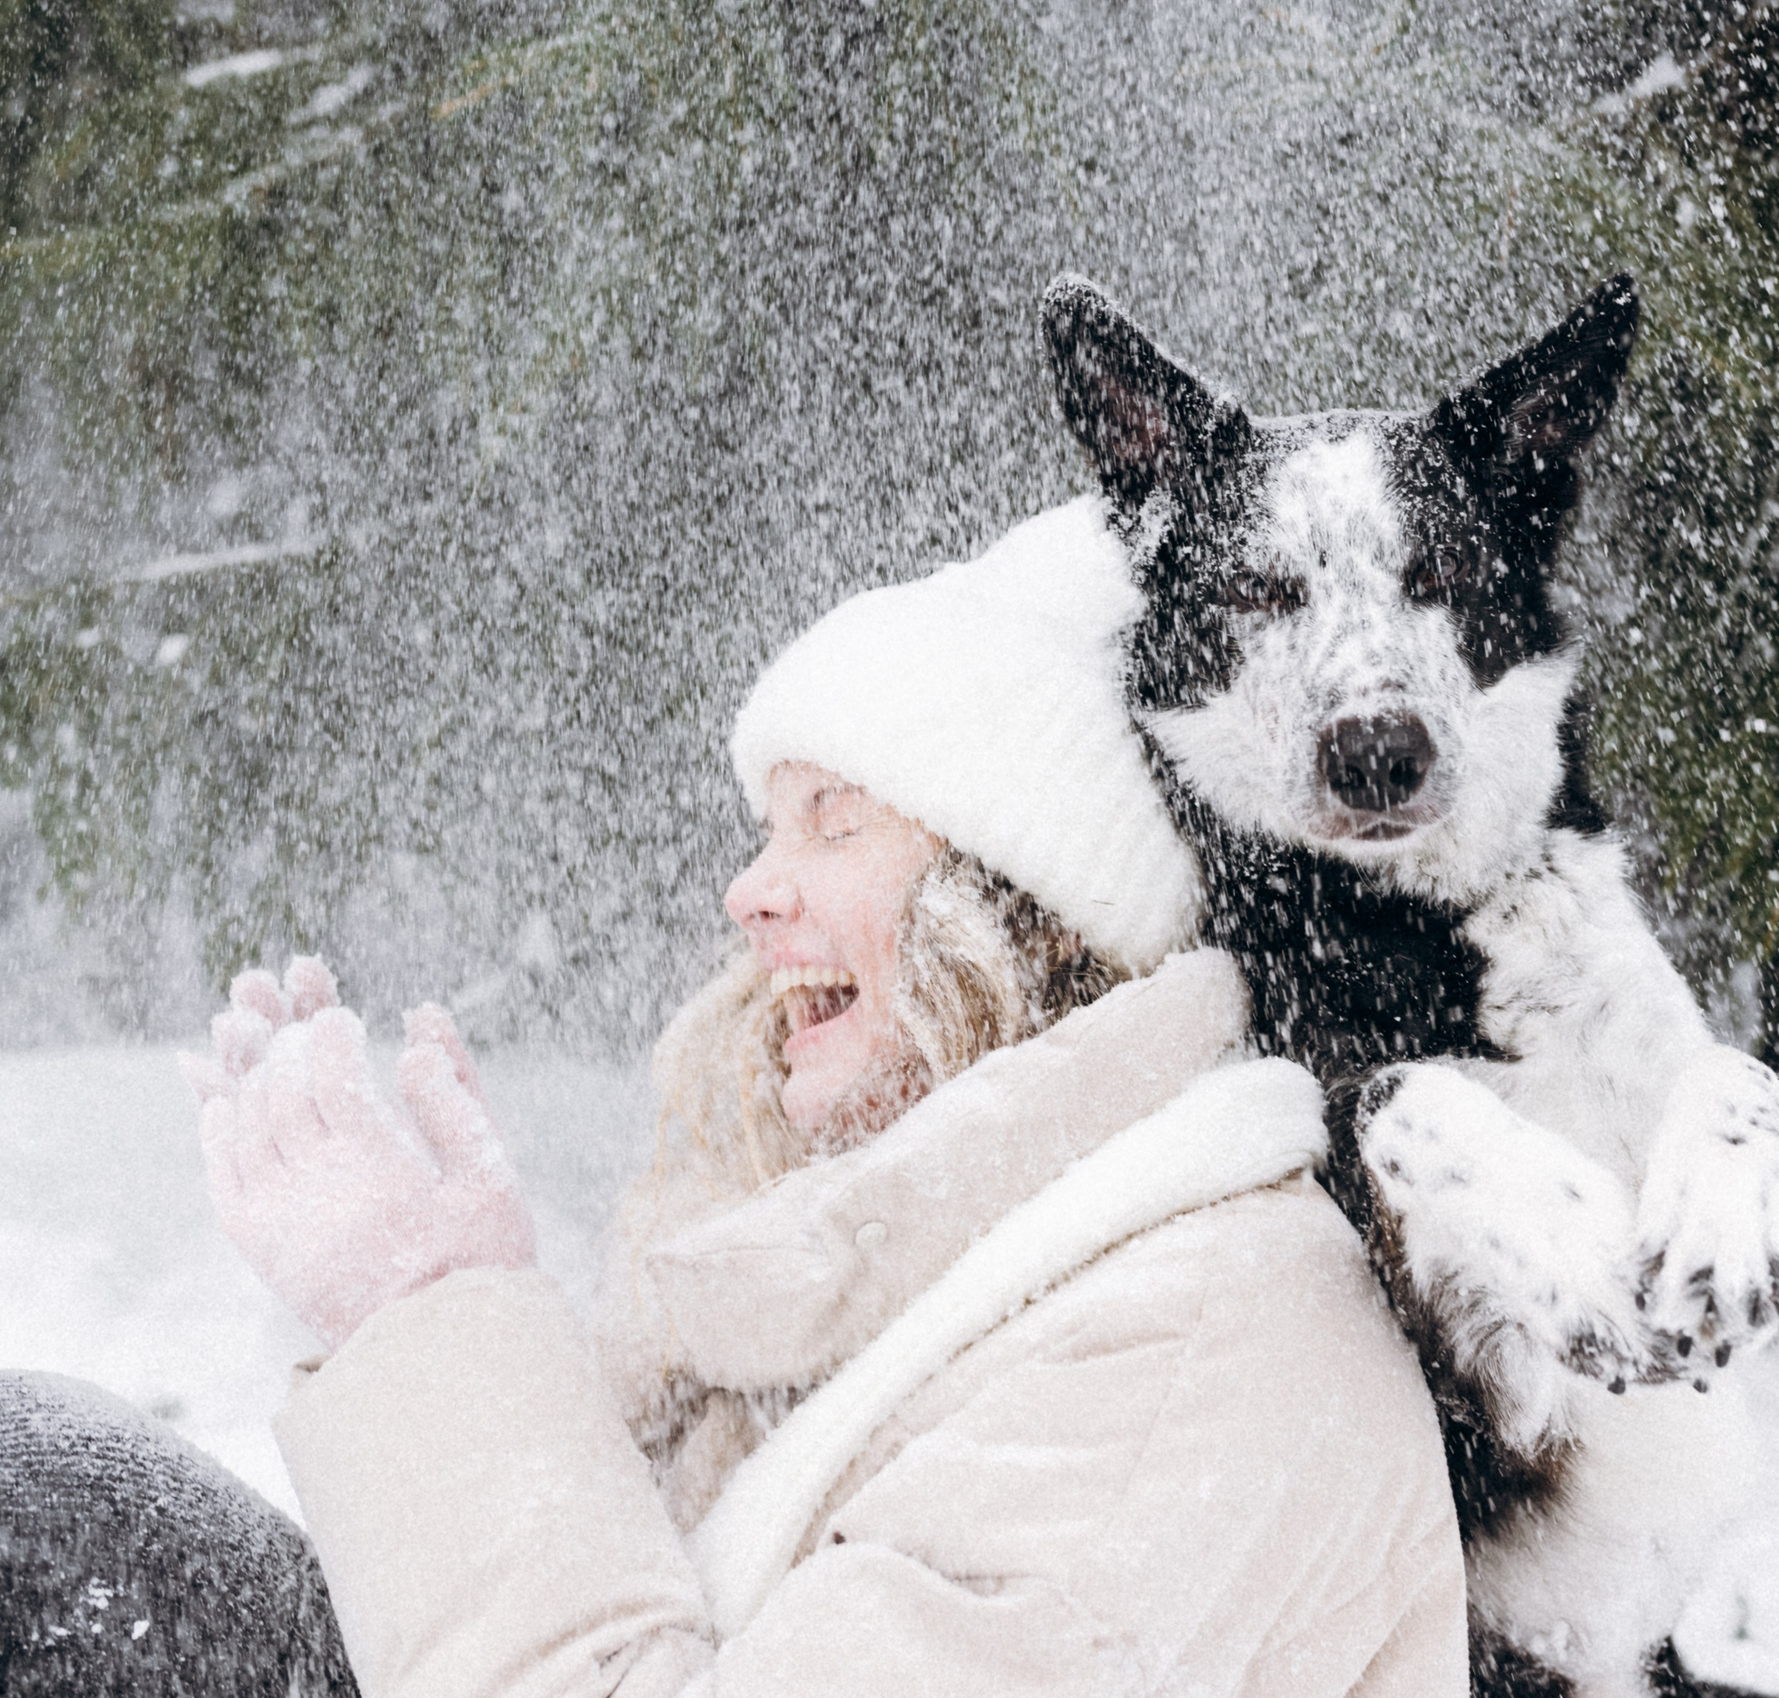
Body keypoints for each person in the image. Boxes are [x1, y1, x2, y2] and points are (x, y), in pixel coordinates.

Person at [1, 499, 1465, 1698]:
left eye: (833, 822)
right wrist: (460, 1323)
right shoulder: (932, 1286)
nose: (750, 893)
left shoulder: (1207, 1346)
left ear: (1026, 903)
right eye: (767, 829)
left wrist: (422, 1319)